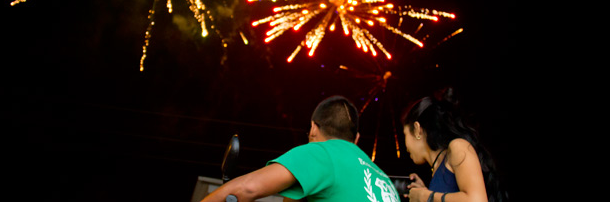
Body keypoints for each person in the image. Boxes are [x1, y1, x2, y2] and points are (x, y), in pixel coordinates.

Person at [201, 95, 400, 202]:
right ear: (355, 139)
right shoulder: (384, 180)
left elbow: (246, 189)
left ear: (313, 127)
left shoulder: (323, 152)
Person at [401, 93, 506, 202]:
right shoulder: (437, 170)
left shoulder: (458, 146)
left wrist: (425, 196)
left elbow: (477, 200)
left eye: (405, 134)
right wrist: (424, 192)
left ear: (417, 129)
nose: (406, 147)